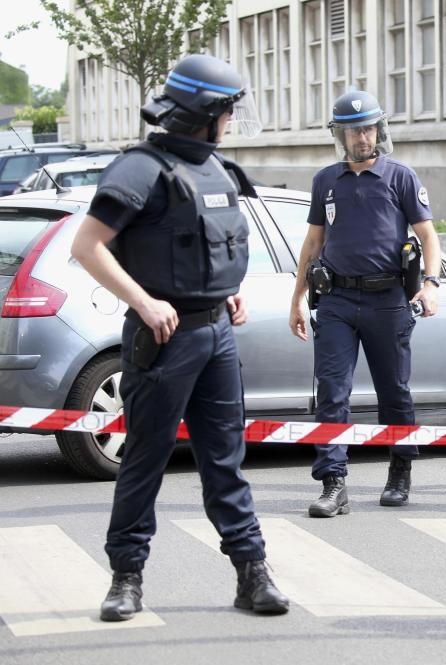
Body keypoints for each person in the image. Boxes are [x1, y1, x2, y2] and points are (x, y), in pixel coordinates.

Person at [70, 54, 288, 621]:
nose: (234, 120)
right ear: (205, 112)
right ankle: (126, 578)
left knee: (225, 460)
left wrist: (227, 291)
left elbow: (213, 247)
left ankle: (251, 573)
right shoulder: (141, 168)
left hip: (217, 333)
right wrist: (143, 301)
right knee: (145, 459)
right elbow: (86, 246)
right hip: (163, 339)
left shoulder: (217, 170)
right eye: (229, 110)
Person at [289, 90, 441, 515]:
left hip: (387, 299)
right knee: (331, 393)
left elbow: (428, 235)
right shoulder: (325, 181)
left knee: (394, 392)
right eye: (354, 130)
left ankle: (400, 470)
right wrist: (297, 299)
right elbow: (314, 242)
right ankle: (333, 483)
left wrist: (430, 283)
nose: (362, 137)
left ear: (380, 129)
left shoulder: (401, 177)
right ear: (340, 135)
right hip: (337, 300)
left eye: (369, 128)